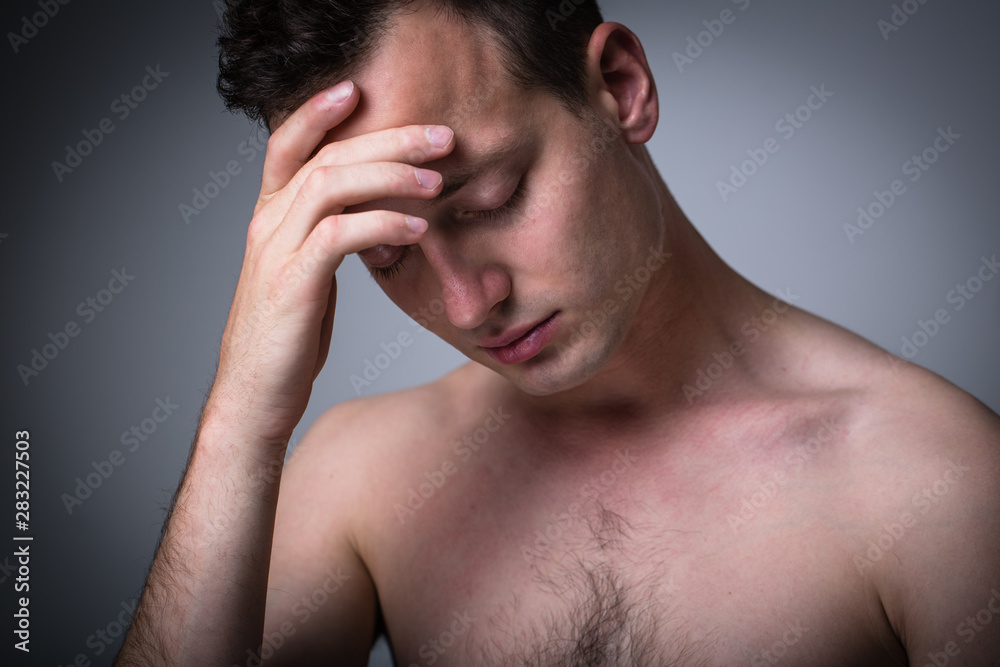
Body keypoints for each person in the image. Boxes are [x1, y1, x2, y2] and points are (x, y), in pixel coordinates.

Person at [117, 0, 1000, 664]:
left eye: (490, 200)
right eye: (389, 256)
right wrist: (241, 425)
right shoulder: (365, 476)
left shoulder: (935, 484)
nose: (467, 305)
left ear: (620, 88)